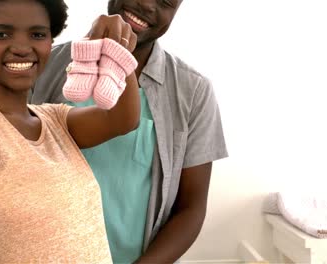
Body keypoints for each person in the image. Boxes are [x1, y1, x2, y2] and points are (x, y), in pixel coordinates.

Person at [0, 0, 139, 262]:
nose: (21, 48)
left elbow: (123, 119)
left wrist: (113, 48)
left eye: (37, 34)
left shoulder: (55, 120)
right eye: (1, 34)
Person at [30, 0, 229, 263]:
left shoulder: (193, 91)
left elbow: (191, 208)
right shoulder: (47, 66)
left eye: (165, 1)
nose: (146, 3)